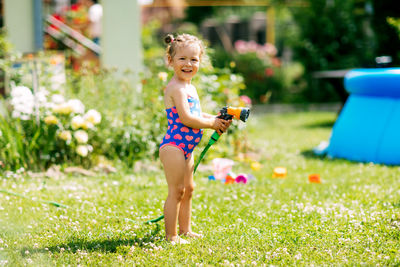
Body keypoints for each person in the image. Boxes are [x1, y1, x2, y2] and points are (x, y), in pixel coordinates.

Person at [159, 33, 232, 244]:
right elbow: (187, 118)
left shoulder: (190, 87)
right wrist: (212, 125)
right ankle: (171, 236)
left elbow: (198, 114)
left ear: (200, 62)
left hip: (186, 149)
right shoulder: (176, 88)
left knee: (188, 190)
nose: (188, 64)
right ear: (170, 61)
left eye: (194, 59)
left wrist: (215, 118)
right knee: (177, 191)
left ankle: (185, 230)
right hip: (174, 147)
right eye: (182, 59)